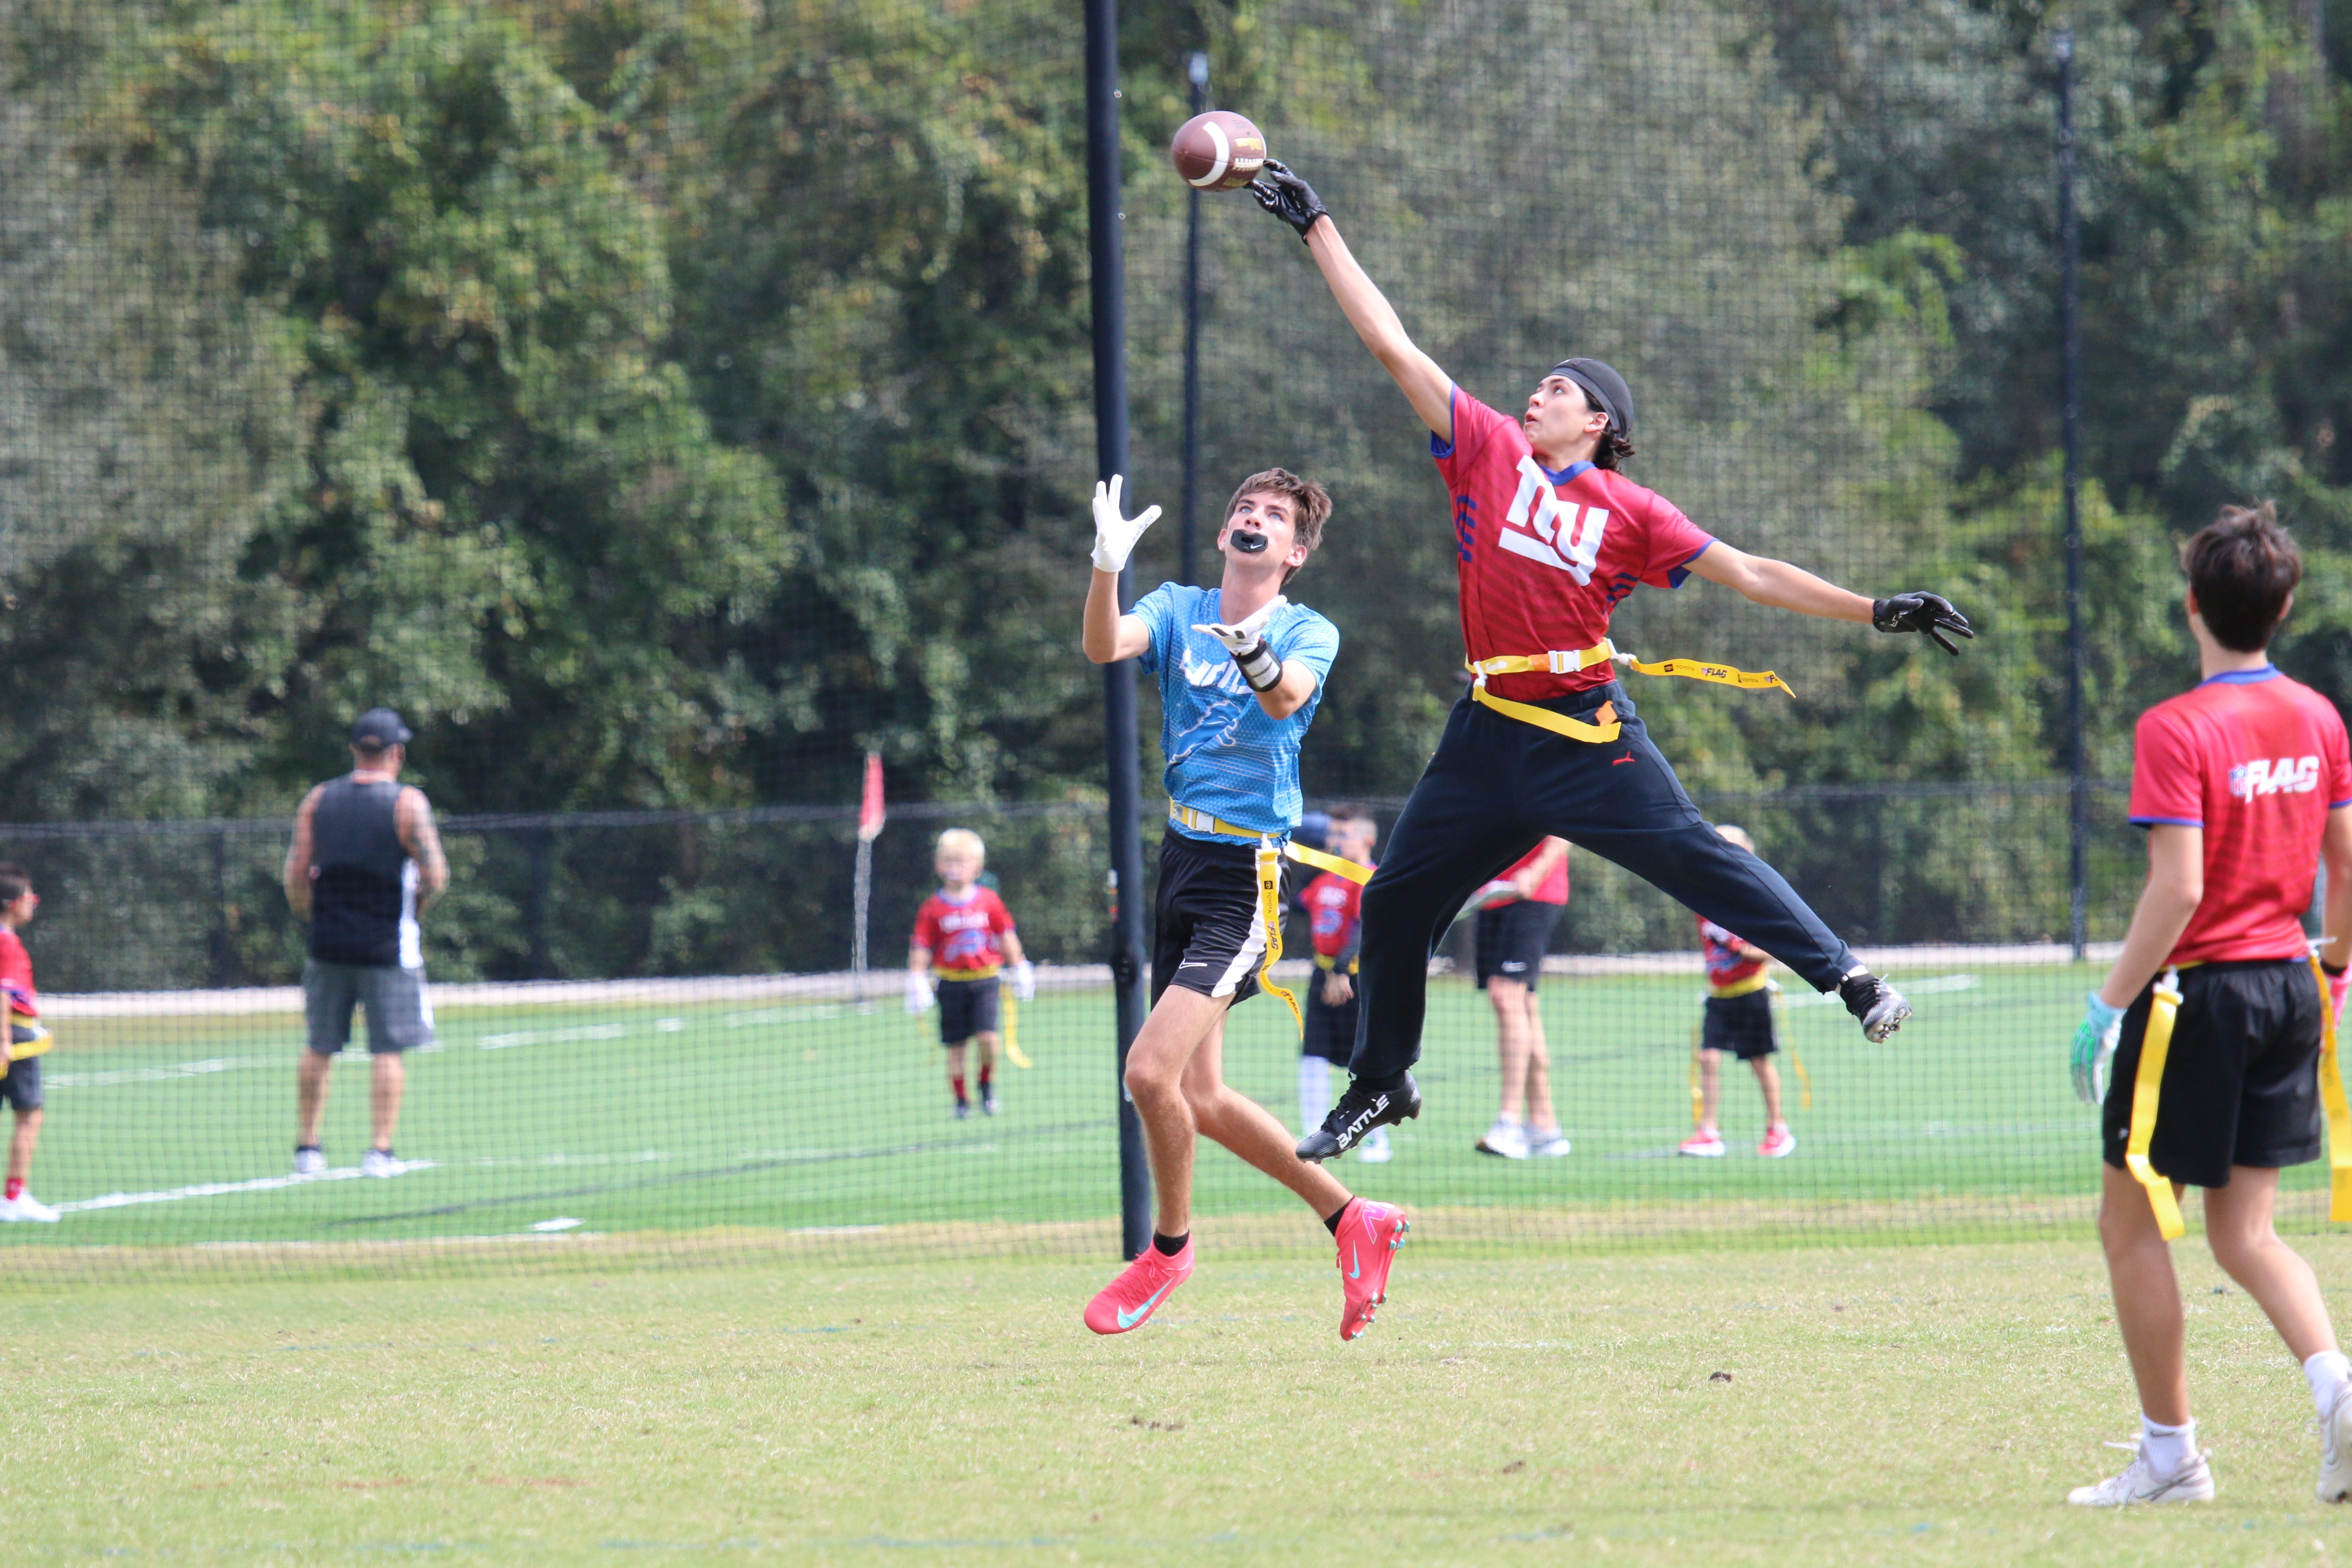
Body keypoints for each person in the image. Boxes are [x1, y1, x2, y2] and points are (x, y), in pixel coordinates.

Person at [1243, 160, 1971, 1162]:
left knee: (1699, 858)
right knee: (1394, 897)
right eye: (1537, 384)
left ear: (1597, 425)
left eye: (1558, 389)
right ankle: (1383, 1081)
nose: (1534, 393)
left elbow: (1752, 572)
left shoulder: (1630, 512)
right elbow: (1387, 341)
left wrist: (1875, 610)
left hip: (1587, 734)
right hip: (1487, 733)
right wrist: (1315, 225)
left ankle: (1846, 978)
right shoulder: (1485, 448)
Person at [2064, 503, 2352, 1508]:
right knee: (2246, 1232)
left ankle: (2170, 1457)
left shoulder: (2173, 727)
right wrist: (2336, 969)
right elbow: (2343, 861)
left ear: (2190, 606)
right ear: (2282, 607)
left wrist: (2106, 1006)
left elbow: (2176, 888)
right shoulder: (2317, 716)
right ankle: (2337, 1389)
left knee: (2132, 1224)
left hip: (2197, 996)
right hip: (2288, 986)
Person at [1081, 468, 1406, 1341]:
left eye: (1274, 517)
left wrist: (1251, 650)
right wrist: (1106, 565)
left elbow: (1285, 696)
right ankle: (1353, 1218)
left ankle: (1170, 1250)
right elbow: (1106, 644)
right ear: (1227, 535)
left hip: (1247, 876)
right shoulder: (1180, 607)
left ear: (1294, 553)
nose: (1253, 519)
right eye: (1243, 509)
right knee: (1205, 1095)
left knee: (1150, 1075)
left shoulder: (1308, 631)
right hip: (1182, 860)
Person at [283, 708, 449, 1178]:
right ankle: (380, 1152)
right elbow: (436, 876)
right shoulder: (408, 804)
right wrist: (414, 911)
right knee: (387, 1050)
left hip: (327, 945)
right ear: (397, 753)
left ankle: (308, 1150)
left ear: (355, 750)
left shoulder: (318, 800)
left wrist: (312, 916)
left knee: (319, 1046)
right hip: (387, 950)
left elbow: (295, 874)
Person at [1679, 826, 1795, 1159]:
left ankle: (1778, 1128)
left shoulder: (1755, 897)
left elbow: (1774, 949)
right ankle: (1708, 1132)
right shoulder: (1702, 896)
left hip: (1751, 991)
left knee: (1758, 1061)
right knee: (1708, 1058)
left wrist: (1744, 950)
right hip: (1718, 993)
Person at [906, 828, 1033, 1118]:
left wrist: (1020, 966)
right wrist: (916, 978)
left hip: (985, 981)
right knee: (957, 1046)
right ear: (939, 865)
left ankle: (986, 1086)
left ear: (977, 867)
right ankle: (961, 1100)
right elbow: (922, 945)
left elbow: (1006, 936)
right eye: (949, 862)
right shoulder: (932, 908)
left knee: (989, 1039)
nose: (955, 869)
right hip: (950, 984)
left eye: (961, 862)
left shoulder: (989, 901)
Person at [1472, 836, 1571, 1159]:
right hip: (1493, 895)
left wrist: (1537, 870)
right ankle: (1544, 1126)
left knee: (1506, 996)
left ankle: (1509, 1123)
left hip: (1535, 891)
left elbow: (1563, 826)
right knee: (1524, 1004)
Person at [1299, 806, 1387, 1163]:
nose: (1334, 841)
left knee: (1368, 1061)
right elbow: (1299, 903)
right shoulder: (1325, 877)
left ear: (1367, 839)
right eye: (1332, 834)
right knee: (1313, 1056)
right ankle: (1312, 1136)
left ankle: (1377, 1141)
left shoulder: (1370, 877)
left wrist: (1340, 971)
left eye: (1343, 834)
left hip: (1356, 979)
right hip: (1323, 976)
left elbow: (1364, 926)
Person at [0, 866, 57, 1222]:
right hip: (13, 1037)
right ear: (14, 903)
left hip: (14, 1034)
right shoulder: (6, 941)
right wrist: (5, 1040)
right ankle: (13, 1199)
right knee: (30, 1115)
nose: (34, 905)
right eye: (30, 899)